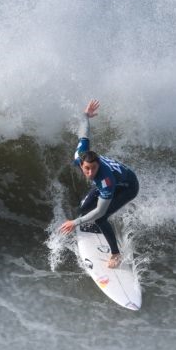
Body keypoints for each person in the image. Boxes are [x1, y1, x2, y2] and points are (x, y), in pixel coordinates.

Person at [59, 99, 139, 269]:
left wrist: (75, 223)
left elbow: (100, 210)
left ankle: (116, 254)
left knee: (100, 217)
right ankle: (93, 226)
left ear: (98, 165)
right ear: (81, 164)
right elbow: (84, 133)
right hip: (116, 179)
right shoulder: (80, 155)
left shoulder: (105, 180)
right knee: (84, 208)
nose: (90, 173)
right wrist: (85, 115)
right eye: (87, 169)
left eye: (94, 168)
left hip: (128, 186)